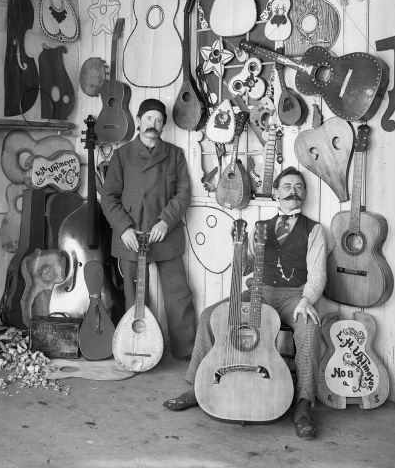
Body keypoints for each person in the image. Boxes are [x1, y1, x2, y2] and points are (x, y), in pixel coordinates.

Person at [163, 166, 327, 440]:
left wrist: (307, 300)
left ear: (305, 193)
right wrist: (240, 250)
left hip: (293, 295)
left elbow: (318, 272)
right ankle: (196, 386)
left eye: (298, 187)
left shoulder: (315, 230)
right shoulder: (261, 228)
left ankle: (303, 403)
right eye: (287, 186)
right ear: (276, 193)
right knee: (208, 316)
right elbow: (246, 268)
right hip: (257, 292)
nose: (293, 192)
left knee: (309, 328)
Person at [101, 98, 195, 360]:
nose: (153, 124)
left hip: (165, 233)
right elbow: (109, 198)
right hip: (131, 236)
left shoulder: (175, 154)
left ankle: (187, 352)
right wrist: (124, 229)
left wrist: (166, 221)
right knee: (135, 298)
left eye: (159, 120)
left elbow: (183, 194)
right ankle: (139, 349)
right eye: (149, 118)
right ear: (139, 120)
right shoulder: (121, 156)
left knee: (179, 294)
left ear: (163, 125)